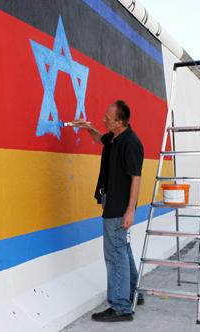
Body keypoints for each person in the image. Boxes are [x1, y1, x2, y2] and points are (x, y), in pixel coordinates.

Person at [73, 100, 144, 322]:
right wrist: (87, 128)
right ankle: (132, 293)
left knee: (114, 254)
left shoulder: (130, 143)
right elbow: (99, 138)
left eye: (108, 118)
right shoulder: (114, 137)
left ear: (120, 122)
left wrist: (130, 211)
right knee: (122, 248)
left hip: (118, 206)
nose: (103, 120)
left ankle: (121, 307)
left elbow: (136, 178)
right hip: (111, 201)